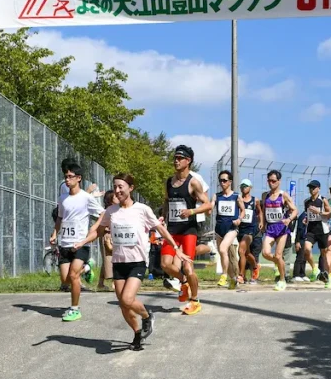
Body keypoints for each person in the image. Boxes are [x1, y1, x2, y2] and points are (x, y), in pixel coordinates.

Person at [76, 174, 183, 350]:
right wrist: (83, 242)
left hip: (137, 262)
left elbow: (161, 229)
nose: (117, 190)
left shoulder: (142, 210)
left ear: (131, 188)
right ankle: (137, 333)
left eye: (121, 187)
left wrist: (175, 246)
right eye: (115, 187)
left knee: (127, 298)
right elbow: (99, 232)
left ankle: (147, 316)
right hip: (119, 263)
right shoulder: (111, 211)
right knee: (123, 304)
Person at [51, 163, 105, 322]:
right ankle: (87, 267)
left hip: (81, 244)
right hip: (65, 243)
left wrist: (94, 227)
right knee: (65, 280)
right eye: (65, 177)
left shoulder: (86, 198)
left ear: (79, 178)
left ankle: (74, 309)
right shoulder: (62, 198)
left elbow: (102, 213)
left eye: (70, 177)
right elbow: (60, 217)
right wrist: (55, 233)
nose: (67, 180)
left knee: (74, 275)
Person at [161, 145, 211, 314]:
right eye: (175, 157)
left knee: (188, 267)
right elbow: (167, 201)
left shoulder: (193, 183)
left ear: (188, 161)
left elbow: (208, 204)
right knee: (165, 264)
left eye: (180, 158)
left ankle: (195, 300)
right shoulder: (169, 182)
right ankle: (183, 282)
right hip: (173, 230)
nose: (176, 161)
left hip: (188, 230)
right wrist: (163, 216)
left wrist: (192, 211)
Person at [260, 169, 298, 291]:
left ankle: (282, 280)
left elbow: (295, 210)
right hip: (270, 228)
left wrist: (289, 219)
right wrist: (263, 223)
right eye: (269, 181)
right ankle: (278, 263)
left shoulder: (283, 195)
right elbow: (264, 210)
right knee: (265, 253)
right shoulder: (265, 195)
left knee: (278, 254)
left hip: (281, 228)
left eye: (273, 181)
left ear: (279, 181)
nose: (271, 183)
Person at [212, 170, 244, 289]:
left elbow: (243, 210)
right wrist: (207, 209)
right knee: (223, 253)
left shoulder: (236, 196)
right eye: (220, 180)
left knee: (222, 248)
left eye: (224, 180)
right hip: (219, 229)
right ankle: (233, 278)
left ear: (230, 182)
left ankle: (224, 275)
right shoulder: (217, 196)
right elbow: (210, 205)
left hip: (231, 228)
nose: (222, 183)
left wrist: (239, 219)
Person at [298, 180, 331, 284]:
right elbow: (307, 214)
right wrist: (306, 219)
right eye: (310, 188)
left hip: (322, 229)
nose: (311, 189)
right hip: (311, 229)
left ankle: (327, 277)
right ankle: (315, 269)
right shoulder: (306, 201)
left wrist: (319, 212)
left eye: (313, 187)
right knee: (306, 249)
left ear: (318, 188)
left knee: (324, 254)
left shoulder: (323, 200)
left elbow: (329, 213)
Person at [236, 178, 260, 284]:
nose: (243, 188)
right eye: (242, 186)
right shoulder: (238, 199)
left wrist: (261, 222)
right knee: (246, 253)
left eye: (245, 186)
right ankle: (255, 266)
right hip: (240, 229)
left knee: (241, 250)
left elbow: (260, 212)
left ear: (250, 188)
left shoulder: (255, 200)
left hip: (251, 229)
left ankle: (241, 275)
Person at [97, 189, 116, 290]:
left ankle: (101, 283)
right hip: (107, 236)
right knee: (110, 258)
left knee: (107, 260)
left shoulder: (116, 210)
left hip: (113, 235)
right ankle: (114, 283)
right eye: (115, 197)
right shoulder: (107, 212)